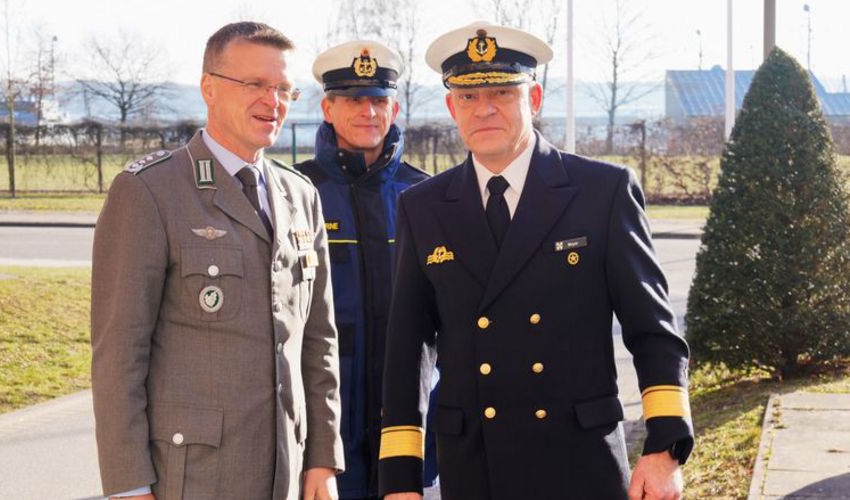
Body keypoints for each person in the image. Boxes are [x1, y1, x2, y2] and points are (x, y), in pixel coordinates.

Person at [378, 21, 694, 500]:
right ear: (450, 107)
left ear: (536, 98)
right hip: (474, 465)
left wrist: (665, 448)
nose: (484, 109)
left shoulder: (601, 192)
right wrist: (400, 478)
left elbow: (653, 330)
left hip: (578, 460)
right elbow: (407, 349)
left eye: (503, 92)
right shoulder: (423, 207)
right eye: (466, 97)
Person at [91, 22, 343, 500]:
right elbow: (119, 355)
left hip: (287, 472)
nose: (273, 101)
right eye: (255, 84)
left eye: (284, 89)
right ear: (209, 88)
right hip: (192, 479)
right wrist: (128, 486)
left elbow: (318, 340)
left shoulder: (301, 195)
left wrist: (323, 458)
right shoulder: (150, 191)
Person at [295, 40, 438, 500]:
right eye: (354, 100)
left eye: (379, 101)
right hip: (325, 413)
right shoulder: (296, 193)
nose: (369, 113)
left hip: (409, 407)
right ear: (328, 108)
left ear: (394, 108)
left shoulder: (427, 196)